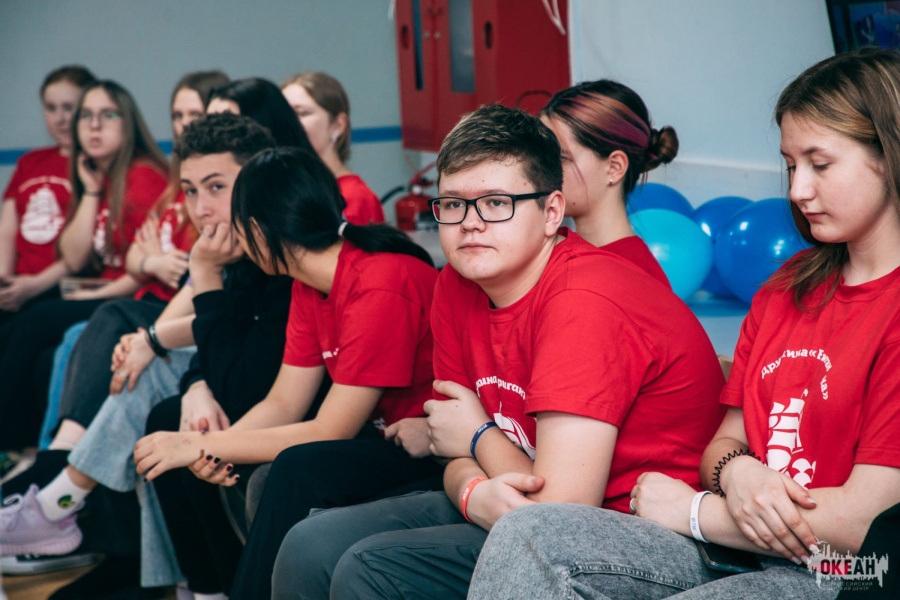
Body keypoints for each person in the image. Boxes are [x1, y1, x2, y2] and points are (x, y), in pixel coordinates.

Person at [467, 47, 900, 600]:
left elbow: (863, 526)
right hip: (739, 544)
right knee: (531, 533)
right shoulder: (785, 289)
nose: (797, 190)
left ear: (889, 155)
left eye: (820, 164)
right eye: (792, 166)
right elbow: (725, 442)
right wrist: (737, 472)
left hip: (846, 574)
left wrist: (695, 511)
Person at [267, 103, 724, 600]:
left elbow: (559, 513)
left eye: (496, 203)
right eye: (454, 204)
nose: (470, 223)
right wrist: (472, 492)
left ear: (552, 212)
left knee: (371, 569)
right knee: (310, 546)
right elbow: (449, 443)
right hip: (516, 495)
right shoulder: (455, 283)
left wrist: (479, 436)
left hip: (635, 532)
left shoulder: (583, 300)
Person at [134, 146, 443, 599]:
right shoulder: (309, 284)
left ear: (257, 231)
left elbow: (331, 430)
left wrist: (197, 443)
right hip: (383, 438)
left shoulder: (380, 282)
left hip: (431, 449)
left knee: (297, 467)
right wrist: (214, 449)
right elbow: (283, 402)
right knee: (258, 468)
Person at [0, 113, 285, 597]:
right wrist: (179, 367)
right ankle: (63, 505)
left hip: (266, 404)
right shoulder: (228, 248)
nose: (200, 208)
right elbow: (220, 331)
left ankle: (57, 501)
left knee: (154, 392)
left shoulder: (272, 250)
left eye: (217, 187)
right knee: (150, 396)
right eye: (190, 191)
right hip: (220, 373)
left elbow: (243, 356)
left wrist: (176, 351)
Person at [0, 80, 168, 452]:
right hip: (101, 291)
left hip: (132, 299)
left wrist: (95, 294)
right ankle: (24, 449)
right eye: (86, 116)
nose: (94, 126)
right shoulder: (98, 177)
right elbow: (75, 257)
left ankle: (10, 444)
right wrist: (90, 190)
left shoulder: (144, 177)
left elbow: (144, 268)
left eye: (107, 115)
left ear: (128, 123)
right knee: (38, 353)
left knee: (34, 321)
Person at [540, 78, 676, 282]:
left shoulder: (635, 274)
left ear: (614, 167)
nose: (541, 169)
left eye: (561, 158)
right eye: (540, 155)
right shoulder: (551, 250)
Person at [0, 65, 96, 322]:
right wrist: (4, 280)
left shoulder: (94, 165)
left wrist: (34, 286)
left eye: (68, 108)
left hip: (59, 286)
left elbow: (85, 251)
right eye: (51, 108)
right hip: (16, 284)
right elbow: (7, 231)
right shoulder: (29, 162)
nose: (60, 119)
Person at [282, 71, 385, 224]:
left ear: (338, 124)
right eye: (284, 114)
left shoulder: (354, 198)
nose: (289, 123)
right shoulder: (290, 192)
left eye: (302, 113)